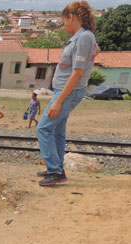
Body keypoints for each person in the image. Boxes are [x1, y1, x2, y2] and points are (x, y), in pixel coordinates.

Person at [36, 1, 98, 186]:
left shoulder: (84, 37)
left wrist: (58, 101)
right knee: (56, 131)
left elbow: (77, 72)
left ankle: (55, 171)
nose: (64, 27)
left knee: (44, 128)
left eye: (64, 22)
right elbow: (93, 54)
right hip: (66, 91)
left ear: (72, 17)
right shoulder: (84, 37)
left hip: (68, 92)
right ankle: (56, 168)